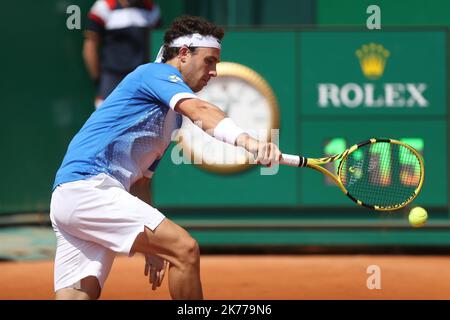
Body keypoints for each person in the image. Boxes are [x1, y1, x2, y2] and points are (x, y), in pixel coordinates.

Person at [50, 15, 282, 300]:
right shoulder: (153, 74)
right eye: (210, 61)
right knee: (185, 249)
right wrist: (247, 141)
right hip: (90, 188)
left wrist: (155, 245)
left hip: (68, 199)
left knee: (77, 295)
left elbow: (142, 181)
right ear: (184, 54)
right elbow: (201, 111)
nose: (214, 72)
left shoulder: (172, 121)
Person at [83, 0, 162, 108]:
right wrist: (98, 80)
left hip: (142, 84)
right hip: (111, 83)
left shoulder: (150, 7)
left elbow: (157, 41)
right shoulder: (103, 6)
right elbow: (90, 46)